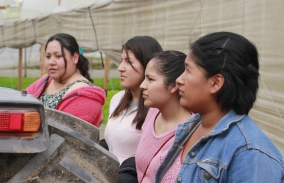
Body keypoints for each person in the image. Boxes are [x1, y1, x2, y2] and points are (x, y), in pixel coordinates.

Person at [162, 32, 284, 182]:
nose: (179, 80)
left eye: (188, 70)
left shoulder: (251, 154)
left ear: (216, 83)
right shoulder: (190, 126)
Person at [101, 36, 161, 182]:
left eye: (128, 62)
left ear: (148, 66)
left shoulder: (156, 110)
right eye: (121, 60)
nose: (120, 67)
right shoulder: (117, 100)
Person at [135, 50, 193, 183]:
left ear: (173, 85)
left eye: (150, 79)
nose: (142, 85)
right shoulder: (152, 113)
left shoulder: (191, 132)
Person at [26, 33, 106, 126]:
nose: (51, 62)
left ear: (75, 58)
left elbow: (67, 136)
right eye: (48, 56)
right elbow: (21, 104)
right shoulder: (46, 81)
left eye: (58, 56)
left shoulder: (84, 97)